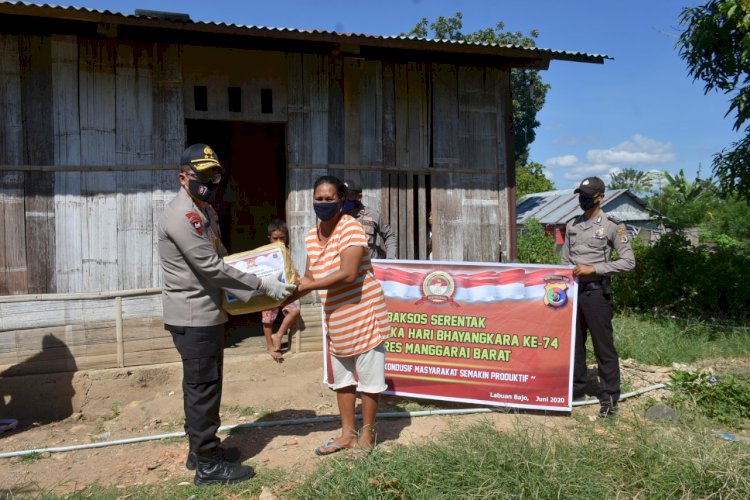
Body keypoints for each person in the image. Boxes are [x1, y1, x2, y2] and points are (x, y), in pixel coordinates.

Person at [158, 143, 296, 485]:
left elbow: (222, 258)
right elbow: (211, 267)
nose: (210, 182)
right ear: (183, 177)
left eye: (214, 176)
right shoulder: (183, 216)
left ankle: (202, 451)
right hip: (194, 314)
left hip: (206, 312)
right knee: (203, 387)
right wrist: (261, 285)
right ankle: (207, 465)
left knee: (205, 384)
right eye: (203, 177)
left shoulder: (204, 210)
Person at [295, 175, 390, 455]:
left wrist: (309, 285)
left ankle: (368, 436)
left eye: (330, 199)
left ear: (341, 200)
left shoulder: (351, 227)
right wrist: (279, 295)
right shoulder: (311, 235)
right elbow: (309, 276)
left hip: (364, 314)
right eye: (319, 199)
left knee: (370, 383)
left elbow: (348, 274)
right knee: (343, 381)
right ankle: (348, 434)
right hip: (336, 318)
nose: (323, 203)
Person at [561, 176, 635, 418]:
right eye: (580, 196)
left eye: (588, 196)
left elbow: (628, 262)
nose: (583, 200)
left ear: (600, 197)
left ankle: (610, 397)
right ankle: (576, 391)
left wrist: (595, 269)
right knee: (574, 345)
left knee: (603, 347)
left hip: (596, 293)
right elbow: (565, 261)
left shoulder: (613, 225)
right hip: (573, 293)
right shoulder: (572, 225)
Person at [261, 219, 301, 362]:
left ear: (286, 237)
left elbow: (291, 268)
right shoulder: (264, 253)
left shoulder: (287, 251)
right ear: (269, 239)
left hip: (285, 290)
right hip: (269, 290)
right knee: (268, 320)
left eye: (282, 238)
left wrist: (297, 277)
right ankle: (270, 347)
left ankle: (278, 335)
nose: (279, 241)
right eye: (275, 238)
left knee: (294, 310)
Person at [342, 179, 397, 260]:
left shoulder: (373, 215)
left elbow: (389, 236)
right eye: (343, 195)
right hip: (345, 268)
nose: (345, 199)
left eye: (349, 195)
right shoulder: (336, 217)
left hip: (370, 268)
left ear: (359, 197)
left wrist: (391, 258)